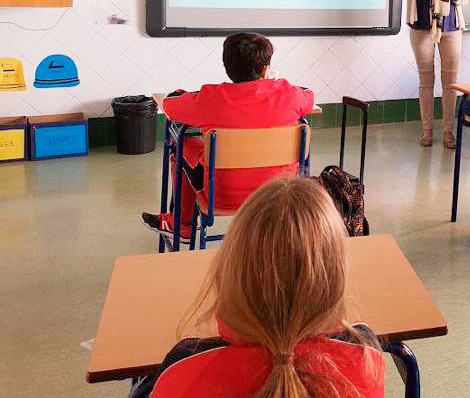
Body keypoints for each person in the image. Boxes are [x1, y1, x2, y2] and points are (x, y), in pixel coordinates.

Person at [129, 177, 386, 398]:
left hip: (222, 187)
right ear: (334, 279)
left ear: (230, 271)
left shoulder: (183, 369)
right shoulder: (365, 360)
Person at [141, 32, 314, 240]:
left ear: (227, 66)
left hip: (222, 197)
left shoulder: (210, 99)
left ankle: (183, 224)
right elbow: (309, 96)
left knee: (182, 143)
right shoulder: (289, 95)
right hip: (281, 194)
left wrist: (180, 94)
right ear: (266, 69)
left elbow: (170, 106)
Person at [390, 0, 469, 149]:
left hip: (450, 26)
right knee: (426, 82)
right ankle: (427, 131)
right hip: (422, 26)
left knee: (450, 82)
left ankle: (447, 131)